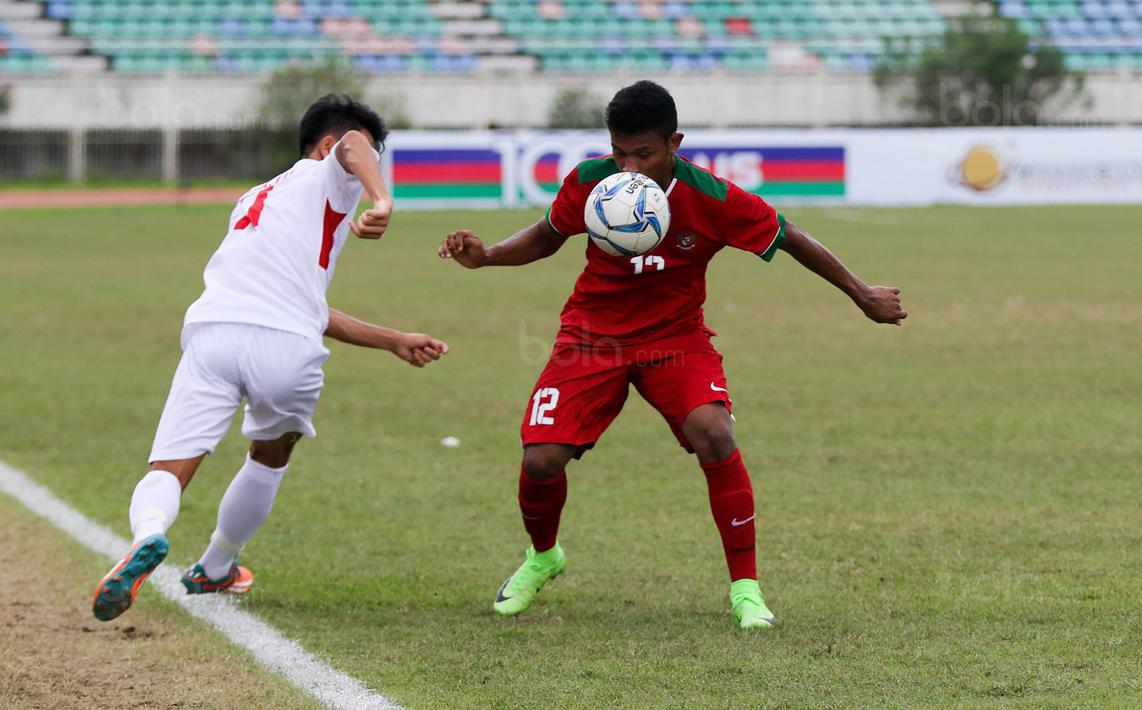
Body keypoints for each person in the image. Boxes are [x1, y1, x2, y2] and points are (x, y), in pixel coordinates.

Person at [437, 80, 906, 629]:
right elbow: (546, 236)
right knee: (540, 461)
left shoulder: (712, 197)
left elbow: (790, 235)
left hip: (675, 339)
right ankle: (543, 557)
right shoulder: (592, 182)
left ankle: (747, 590)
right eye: (620, 153)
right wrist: (487, 255)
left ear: (674, 143)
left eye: (644, 153)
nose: (630, 168)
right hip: (592, 335)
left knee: (715, 432)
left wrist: (862, 293)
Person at [92, 94, 448, 622]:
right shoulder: (332, 169)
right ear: (325, 147)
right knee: (270, 455)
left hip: (214, 332)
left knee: (169, 465)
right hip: (285, 347)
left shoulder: (254, 197)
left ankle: (147, 536)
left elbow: (302, 303)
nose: (365, 164)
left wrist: (391, 338)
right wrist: (382, 199)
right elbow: (352, 145)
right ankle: (216, 566)